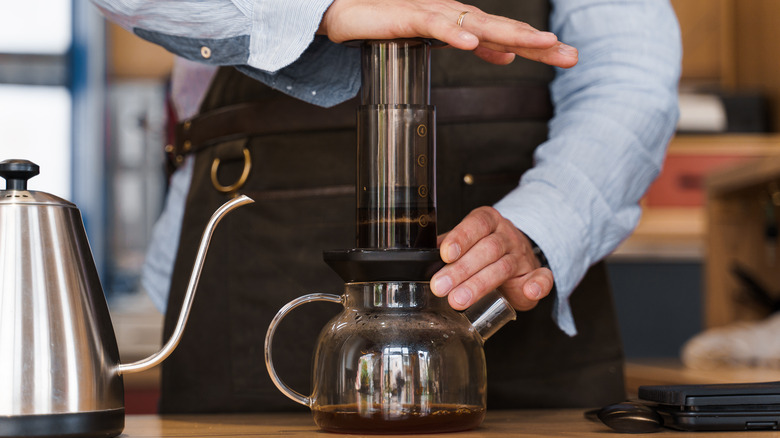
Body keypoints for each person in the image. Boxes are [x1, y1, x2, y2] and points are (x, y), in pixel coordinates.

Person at [91, 0, 681, 412]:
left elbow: (627, 75)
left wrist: (540, 222)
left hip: (517, 276)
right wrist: (323, 10)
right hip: (251, 247)